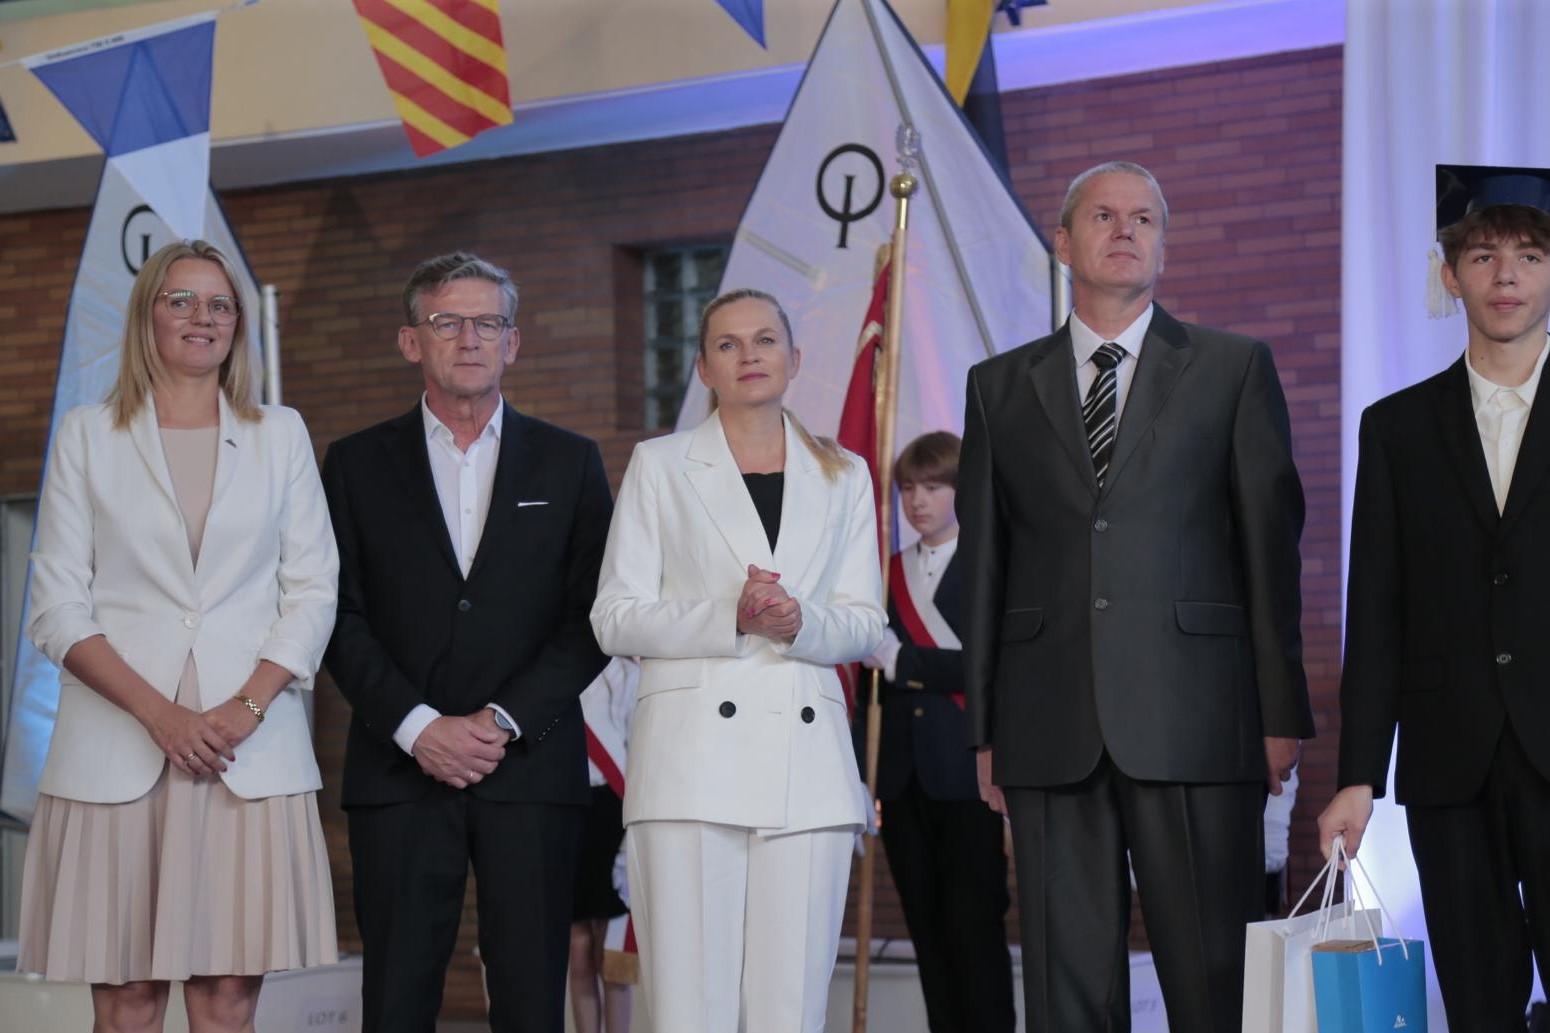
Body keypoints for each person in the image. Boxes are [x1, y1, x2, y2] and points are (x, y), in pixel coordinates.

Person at [958, 160, 1312, 1031]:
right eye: (1104, 216)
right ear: (1063, 241)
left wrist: (1279, 714)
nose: (1125, 230)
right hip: (1047, 721)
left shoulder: (1233, 368)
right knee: (1064, 984)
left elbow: (1270, 551)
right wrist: (986, 727)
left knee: (1213, 976)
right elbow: (988, 563)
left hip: (1200, 715)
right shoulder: (998, 385)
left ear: (1163, 245)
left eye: (1144, 219)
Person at [20, 239, 339, 1033]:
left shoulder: (280, 433)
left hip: (246, 752)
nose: (204, 316)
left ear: (238, 324)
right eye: (182, 300)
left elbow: (313, 589)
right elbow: (56, 605)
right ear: (147, 317)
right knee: (127, 1002)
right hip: (119, 744)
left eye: (220, 303)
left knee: (227, 999)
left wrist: (246, 708)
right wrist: (161, 715)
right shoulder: (89, 434)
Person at [321, 251, 613, 1033]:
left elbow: (594, 615)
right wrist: (419, 726)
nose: (470, 338)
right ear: (410, 340)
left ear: (513, 342)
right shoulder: (353, 463)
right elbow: (334, 615)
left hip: (530, 767)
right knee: (395, 1000)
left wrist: (501, 720)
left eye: (488, 322)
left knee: (531, 1003)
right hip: (398, 768)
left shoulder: (571, 460)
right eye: (447, 321)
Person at [590, 287, 884, 1033]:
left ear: (795, 358)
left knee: (791, 1010)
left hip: (807, 766)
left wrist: (799, 620)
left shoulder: (843, 472)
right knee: (690, 1008)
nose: (749, 354)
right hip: (689, 765)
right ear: (703, 368)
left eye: (764, 339)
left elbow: (863, 623)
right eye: (728, 343)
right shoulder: (660, 464)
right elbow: (614, 616)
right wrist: (730, 614)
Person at [1319, 166, 1550, 1030]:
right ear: (1450, 275)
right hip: (1451, 759)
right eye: (1483, 256)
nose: (1506, 275)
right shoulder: (1397, 427)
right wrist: (1357, 774)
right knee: (1478, 1001)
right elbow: (1377, 608)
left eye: (1530, 256)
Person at [853, 430, 1015, 1033]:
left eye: (933, 486)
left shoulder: (993, 562)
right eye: (907, 489)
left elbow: (994, 666)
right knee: (925, 930)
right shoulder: (885, 572)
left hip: (970, 771)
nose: (917, 501)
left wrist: (903, 661)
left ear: (961, 490)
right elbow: (868, 690)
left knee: (974, 928)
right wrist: (860, 774)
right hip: (901, 776)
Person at [569, 656, 639, 1033]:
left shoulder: (627, 672)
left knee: (612, 957)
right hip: (570, 807)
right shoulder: (561, 667)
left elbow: (636, 742)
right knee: (578, 950)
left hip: (614, 809)